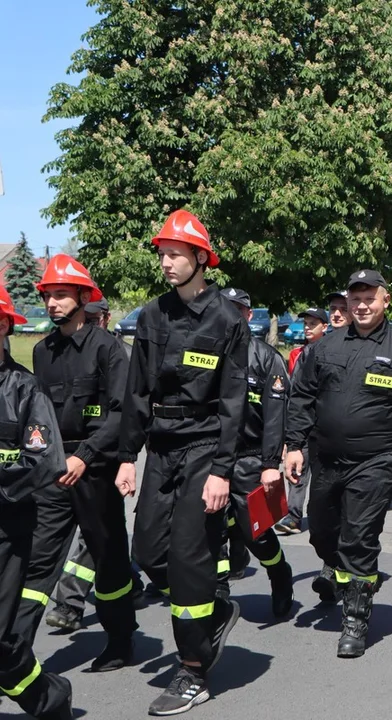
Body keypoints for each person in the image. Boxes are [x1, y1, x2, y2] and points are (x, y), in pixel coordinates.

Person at [115, 210, 248, 715]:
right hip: (162, 448)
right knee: (148, 551)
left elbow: (235, 401)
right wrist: (129, 457)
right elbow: (137, 391)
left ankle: (193, 669)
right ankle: (211, 611)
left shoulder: (226, 321)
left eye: (175, 254)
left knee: (190, 558)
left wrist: (221, 469)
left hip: (204, 447)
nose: (166, 263)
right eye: (162, 254)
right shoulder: (152, 315)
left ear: (200, 258)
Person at [285, 269, 392, 659]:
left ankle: (355, 616)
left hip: (376, 460)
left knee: (358, 536)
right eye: (355, 298)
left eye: (369, 297)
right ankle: (355, 578)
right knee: (321, 532)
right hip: (327, 458)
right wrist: (294, 445)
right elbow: (302, 395)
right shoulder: (326, 347)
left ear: (385, 300)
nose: (362, 304)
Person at [12, 256, 137, 674]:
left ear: (84, 298)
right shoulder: (43, 351)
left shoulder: (108, 348)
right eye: (48, 295)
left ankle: (120, 640)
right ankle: (13, 652)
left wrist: (84, 457)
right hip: (53, 470)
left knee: (109, 558)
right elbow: (36, 413)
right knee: (38, 560)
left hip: (94, 467)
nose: (52, 303)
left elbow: (121, 413)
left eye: (61, 294)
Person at [0, 282, 74, 720]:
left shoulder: (25, 390)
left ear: (5, 325)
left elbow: (45, 462)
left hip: (8, 530)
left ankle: (49, 698)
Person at [221, 289, 293, 618]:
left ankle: (279, 575)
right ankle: (217, 591)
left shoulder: (267, 358)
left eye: (239, 310)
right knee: (207, 529)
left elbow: (276, 417)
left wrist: (269, 464)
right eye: (226, 309)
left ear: (249, 315)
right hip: (210, 458)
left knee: (257, 533)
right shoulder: (207, 352)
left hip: (250, 460)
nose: (232, 315)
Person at [276, 307, 329, 535]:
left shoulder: (329, 352)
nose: (307, 327)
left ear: (324, 327)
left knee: (320, 476)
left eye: (313, 324)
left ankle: (319, 515)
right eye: (306, 323)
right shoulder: (296, 354)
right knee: (296, 470)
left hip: (323, 425)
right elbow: (294, 393)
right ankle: (293, 516)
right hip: (301, 423)